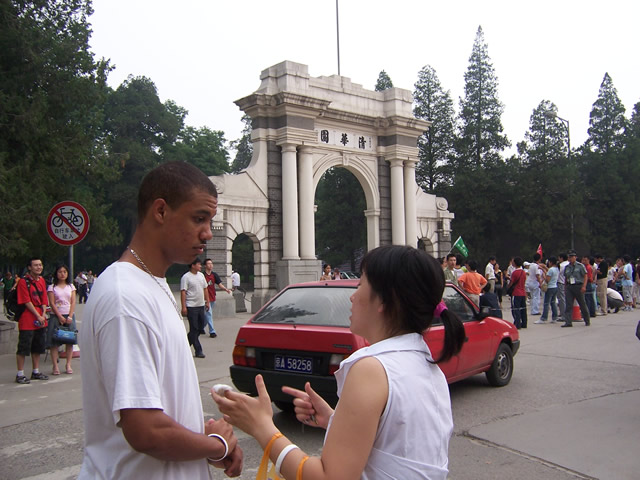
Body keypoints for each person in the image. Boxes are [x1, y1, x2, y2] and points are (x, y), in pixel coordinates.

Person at [213, 245, 465, 479]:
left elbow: (329, 477)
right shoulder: (425, 363)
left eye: (361, 285)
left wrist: (261, 426)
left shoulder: (373, 369)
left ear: (385, 300)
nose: (352, 297)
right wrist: (335, 420)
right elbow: (399, 445)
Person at [78, 161, 243, 479]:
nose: (208, 233)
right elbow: (146, 431)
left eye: (210, 220)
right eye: (199, 218)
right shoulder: (126, 296)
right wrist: (216, 445)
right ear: (161, 211)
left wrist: (203, 444)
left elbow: (162, 405)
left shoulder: (152, 283)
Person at [15, 258, 49, 384]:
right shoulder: (23, 282)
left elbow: (44, 299)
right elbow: (26, 301)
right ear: (29, 267)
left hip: (40, 319)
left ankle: (36, 371)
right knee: (23, 347)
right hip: (27, 319)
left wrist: (43, 314)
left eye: (40, 265)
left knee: (37, 347)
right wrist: (38, 315)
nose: (39, 267)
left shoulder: (42, 280)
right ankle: (20, 373)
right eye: (35, 265)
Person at [46, 264, 76, 375]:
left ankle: (68, 364)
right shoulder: (52, 287)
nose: (62, 274)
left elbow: (73, 302)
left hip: (69, 316)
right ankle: (55, 366)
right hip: (56, 316)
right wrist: (59, 316)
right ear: (56, 273)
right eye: (60, 272)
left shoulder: (71, 286)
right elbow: (52, 303)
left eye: (64, 272)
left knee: (70, 341)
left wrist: (70, 316)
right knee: (54, 342)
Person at [181, 258, 210, 357]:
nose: (200, 266)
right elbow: (183, 292)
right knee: (194, 328)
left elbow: (205, 289)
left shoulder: (201, 276)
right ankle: (198, 350)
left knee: (201, 327)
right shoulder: (186, 277)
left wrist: (207, 301)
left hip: (201, 305)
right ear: (193, 265)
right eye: (199, 264)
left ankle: (184, 346)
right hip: (191, 306)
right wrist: (184, 307)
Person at [202, 258, 231, 338]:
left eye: (211, 263)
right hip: (205, 298)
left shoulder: (214, 275)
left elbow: (219, 284)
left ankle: (201, 327)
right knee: (209, 313)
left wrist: (226, 289)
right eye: (208, 263)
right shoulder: (202, 275)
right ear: (205, 265)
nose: (210, 265)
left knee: (207, 315)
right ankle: (212, 331)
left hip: (212, 297)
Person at [561, 250, 590, 327]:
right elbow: (566, 278)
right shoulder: (567, 267)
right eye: (569, 257)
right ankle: (568, 322)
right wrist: (565, 287)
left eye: (572, 257)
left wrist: (584, 286)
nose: (570, 258)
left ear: (575, 257)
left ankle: (587, 320)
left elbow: (585, 276)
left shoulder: (580, 266)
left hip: (578, 286)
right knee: (568, 305)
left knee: (582, 304)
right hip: (569, 286)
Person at [536, 256, 559, 324]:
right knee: (553, 302)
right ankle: (555, 317)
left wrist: (543, 281)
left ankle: (544, 318)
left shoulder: (551, 270)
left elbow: (547, 279)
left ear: (551, 262)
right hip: (555, 286)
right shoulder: (556, 269)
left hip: (550, 287)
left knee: (546, 303)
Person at [508, 257, 527, 329]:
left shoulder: (515, 273)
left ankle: (517, 323)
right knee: (523, 309)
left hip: (516, 293)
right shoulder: (523, 272)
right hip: (522, 292)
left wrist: (508, 287)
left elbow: (511, 283)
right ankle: (524, 323)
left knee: (516, 309)